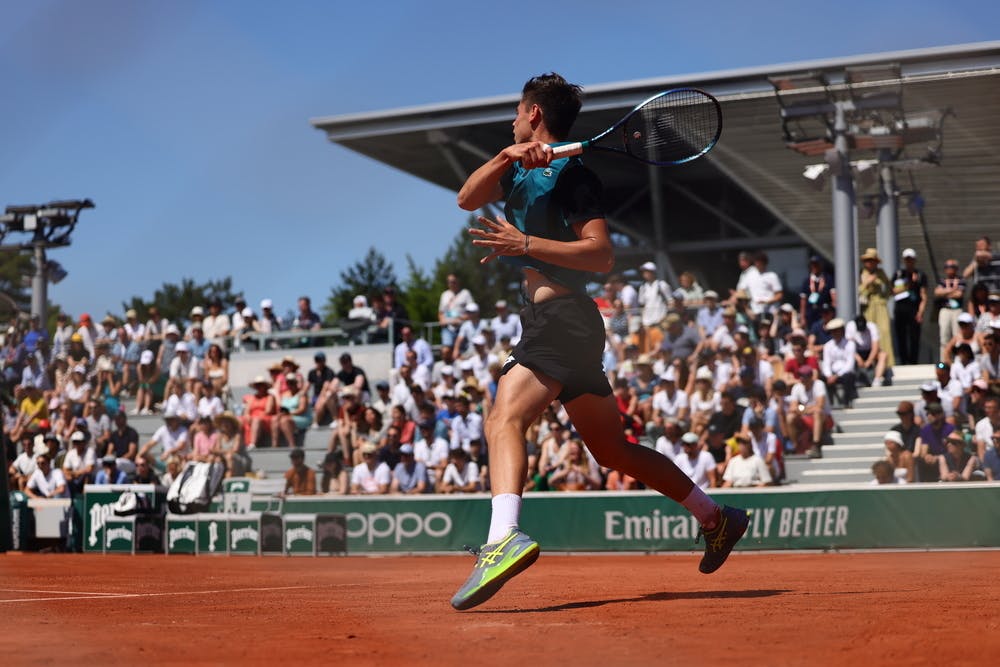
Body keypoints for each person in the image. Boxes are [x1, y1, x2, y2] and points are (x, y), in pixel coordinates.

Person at [450, 72, 747, 611]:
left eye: (518, 112)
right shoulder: (518, 168)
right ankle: (715, 517)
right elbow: (467, 199)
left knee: (503, 419)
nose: (514, 120)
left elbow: (602, 255)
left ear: (534, 113)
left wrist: (526, 242)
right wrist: (505, 156)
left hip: (561, 318)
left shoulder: (575, 177)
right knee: (610, 449)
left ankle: (501, 541)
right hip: (566, 323)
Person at [858, 247, 896, 368]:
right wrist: (866, 283)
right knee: (869, 333)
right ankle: (873, 361)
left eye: (872, 260)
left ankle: (887, 361)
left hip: (880, 305)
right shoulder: (861, 273)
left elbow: (890, 287)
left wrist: (884, 297)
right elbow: (858, 291)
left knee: (884, 331)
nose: (869, 263)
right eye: (867, 260)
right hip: (867, 307)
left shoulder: (880, 273)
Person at [892, 248, 928, 365]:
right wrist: (908, 284)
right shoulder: (898, 274)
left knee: (914, 336)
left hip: (914, 309)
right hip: (900, 308)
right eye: (907, 259)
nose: (909, 262)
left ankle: (913, 362)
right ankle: (903, 361)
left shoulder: (921, 275)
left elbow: (923, 296)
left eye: (911, 259)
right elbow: (893, 291)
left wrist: (920, 312)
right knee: (901, 336)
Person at [935, 258, 967, 361]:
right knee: (944, 336)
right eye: (947, 267)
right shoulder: (942, 281)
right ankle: (944, 362)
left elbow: (959, 294)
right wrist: (952, 289)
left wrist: (945, 292)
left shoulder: (961, 280)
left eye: (952, 267)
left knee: (957, 336)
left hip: (957, 310)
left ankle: (958, 361)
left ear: (956, 269)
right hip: (945, 310)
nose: (950, 269)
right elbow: (937, 293)